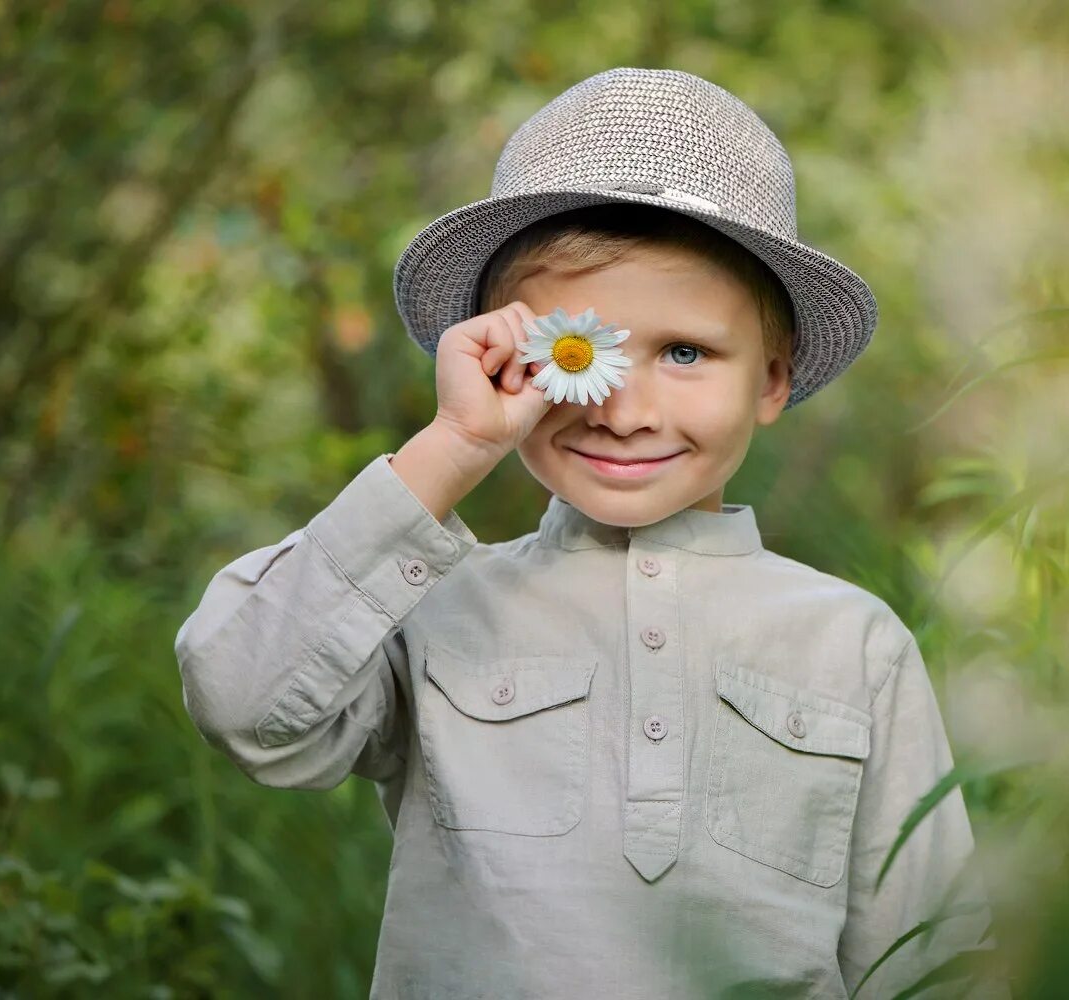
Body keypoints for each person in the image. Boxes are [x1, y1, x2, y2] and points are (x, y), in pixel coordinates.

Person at [174, 67, 998, 999]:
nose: (625, 409)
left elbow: (932, 959)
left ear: (772, 379)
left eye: (685, 353)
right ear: (507, 360)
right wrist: (453, 447)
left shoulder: (852, 643)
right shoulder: (435, 609)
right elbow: (241, 698)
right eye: (575, 352)